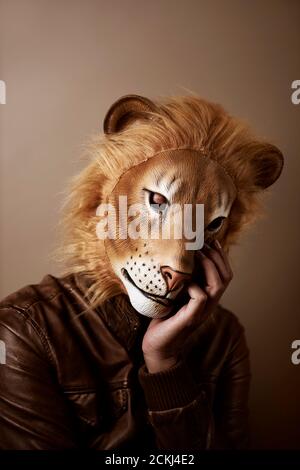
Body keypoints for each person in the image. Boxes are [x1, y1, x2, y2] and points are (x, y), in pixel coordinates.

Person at [0, 94, 283, 449]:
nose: (178, 265)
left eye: (209, 225)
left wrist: (165, 365)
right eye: (158, 203)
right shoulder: (22, 331)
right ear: (103, 200)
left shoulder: (224, 338)